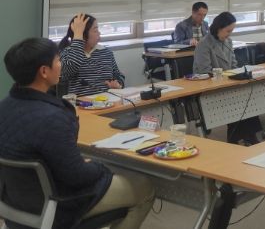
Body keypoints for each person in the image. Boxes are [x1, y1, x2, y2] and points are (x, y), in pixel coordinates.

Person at [0, 38, 154, 229]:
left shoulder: (4, 107)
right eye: (58, 60)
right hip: (57, 206)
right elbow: (77, 176)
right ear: (44, 71)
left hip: (15, 204)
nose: (61, 65)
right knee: (143, 186)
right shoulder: (52, 117)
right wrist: (100, 166)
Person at [193, 11, 261, 145]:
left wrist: (239, 74)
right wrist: (226, 76)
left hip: (227, 84)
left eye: (231, 31)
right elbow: (204, 72)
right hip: (210, 87)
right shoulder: (204, 44)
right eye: (228, 31)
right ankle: (238, 138)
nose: (230, 34)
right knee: (236, 100)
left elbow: (234, 65)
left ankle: (248, 136)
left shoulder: (228, 41)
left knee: (248, 95)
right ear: (218, 28)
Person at [59, 13, 125, 96]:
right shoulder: (67, 53)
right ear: (83, 34)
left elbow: (118, 75)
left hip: (107, 101)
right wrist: (78, 36)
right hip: (80, 103)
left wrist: (118, 84)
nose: (99, 33)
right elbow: (69, 69)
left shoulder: (106, 52)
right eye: (95, 30)